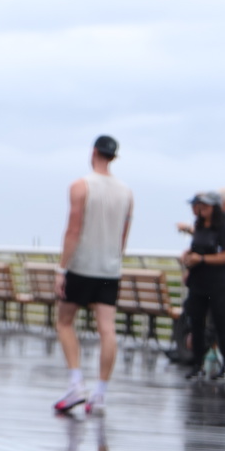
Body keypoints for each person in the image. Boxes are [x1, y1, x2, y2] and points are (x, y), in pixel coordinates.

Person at [53, 136, 133, 415]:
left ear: (94, 152)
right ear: (114, 157)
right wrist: (114, 259)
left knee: (64, 322)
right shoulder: (127, 192)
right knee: (107, 329)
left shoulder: (81, 186)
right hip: (109, 268)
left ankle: (76, 383)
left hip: (81, 265)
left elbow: (73, 229)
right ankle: (100, 393)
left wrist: (62, 269)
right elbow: (123, 235)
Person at [180, 191, 225, 380]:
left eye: (205, 205)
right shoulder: (199, 225)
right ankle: (198, 364)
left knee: (221, 324)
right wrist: (188, 255)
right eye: (200, 205)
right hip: (198, 281)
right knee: (196, 323)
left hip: (218, 282)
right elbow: (197, 247)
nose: (201, 208)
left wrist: (202, 259)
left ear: (215, 207)